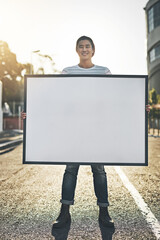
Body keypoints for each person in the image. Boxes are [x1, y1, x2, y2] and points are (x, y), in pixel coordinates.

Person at [21, 36, 151, 229]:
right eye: (81, 46)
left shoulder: (104, 72)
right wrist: (32, 113)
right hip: (74, 130)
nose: (84, 49)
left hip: (97, 129)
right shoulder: (67, 72)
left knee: (99, 170)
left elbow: (115, 99)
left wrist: (139, 109)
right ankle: (64, 213)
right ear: (77, 50)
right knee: (70, 169)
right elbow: (55, 100)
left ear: (93, 50)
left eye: (87, 46)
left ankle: (104, 213)